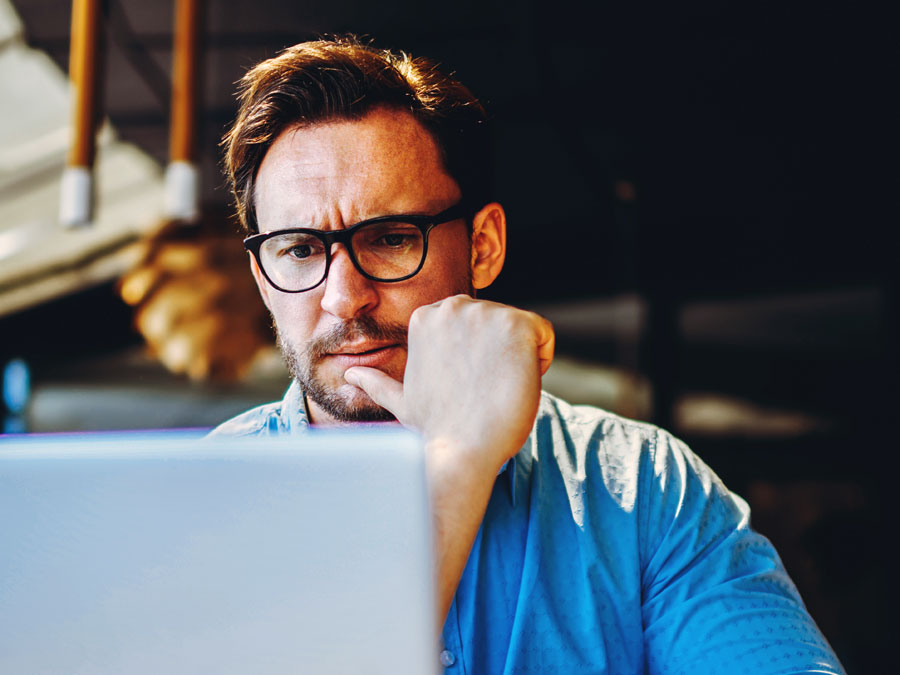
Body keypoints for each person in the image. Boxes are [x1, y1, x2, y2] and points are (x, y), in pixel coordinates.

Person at [211, 36, 844, 674]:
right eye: (298, 250)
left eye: (391, 238)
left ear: (482, 246)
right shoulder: (195, 506)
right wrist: (458, 459)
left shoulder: (645, 490)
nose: (345, 298)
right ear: (262, 278)